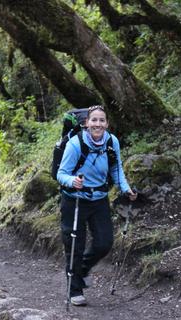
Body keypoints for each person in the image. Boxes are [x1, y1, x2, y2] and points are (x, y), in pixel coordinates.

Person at [57, 105, 137, 306]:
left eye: (102, 120)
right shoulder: (75, 145)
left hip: (99, 198)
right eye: (94, 120)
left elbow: (116, 168)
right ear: (86, 123)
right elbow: (61, 173)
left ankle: (80, 271)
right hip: (74, 199)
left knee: (104, 242)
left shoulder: (112, 142)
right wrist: (71, 181)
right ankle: (74, 289)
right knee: (75, 245)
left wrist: (125, 188)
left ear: (107, 123)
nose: (98, 124)